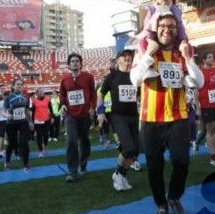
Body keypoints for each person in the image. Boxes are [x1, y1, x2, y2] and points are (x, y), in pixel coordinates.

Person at [130, 11, 204, 214]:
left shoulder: (183, 52)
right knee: (154, 167)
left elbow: (199, 82)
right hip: (150, 119)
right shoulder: (145, 48)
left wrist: (188, 57)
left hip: (177, 116)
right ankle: (161, 206)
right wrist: (148, 54)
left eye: (172, 26)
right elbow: (134, 80)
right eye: (162, 25)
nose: (167, 29)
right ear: (156, 28)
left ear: (176, 30)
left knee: (182, 161)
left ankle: (174, 198)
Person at [97, 49, 139, 191]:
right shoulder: (112, 76)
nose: (127, 58)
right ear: (118, 60)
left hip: (134, 116)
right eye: (124, 56)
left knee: (135, 151)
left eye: (129, 56)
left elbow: (140, 96)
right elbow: (101, 94)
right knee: (128, 148)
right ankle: (119, 176)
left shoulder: (135, 76)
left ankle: (120, 175)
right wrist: (101, 112)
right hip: (118, 116)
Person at [137, 0, 193, 78]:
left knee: (185, 48)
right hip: (153, 37)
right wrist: (150, 41)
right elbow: (147, 28)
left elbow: (180, 28)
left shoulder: (176, 11)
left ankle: (185, 71)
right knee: (142, 44)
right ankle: (148, 69)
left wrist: (183, 41)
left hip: (171, 39)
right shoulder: (151, 9)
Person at [60, 52, 96, 182]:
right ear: (69, 65)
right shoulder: (65, 79)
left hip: (85, 115)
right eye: (72, 61)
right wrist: (63, 104)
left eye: (77, 61)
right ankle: (72, 171)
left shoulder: (88, 77)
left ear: (81, 64)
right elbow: (62, 95)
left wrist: (93, 107)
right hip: (70, 115)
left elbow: (93, 93)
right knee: (71, 141)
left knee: (84, 141)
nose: (75, 63)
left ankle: (83, 163)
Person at [3, 79, 31, 172]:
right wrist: (7, 115)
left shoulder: (25, 97)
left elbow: (26, 110)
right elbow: (3, 111)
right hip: (11, 123)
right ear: (13, 86)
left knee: (24, 143)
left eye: (21, 85)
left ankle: (26, 164)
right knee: (11, 143)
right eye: (18, 84)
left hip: (23, 122)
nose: (20, 86)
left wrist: (30, 118)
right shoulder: (8, 97)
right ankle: (7, 162)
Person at [31, 88, 53, 158]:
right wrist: (32, 122)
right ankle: (40, 151)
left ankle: (45, 146)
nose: (42, 92)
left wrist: (52, 117)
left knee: (46, 134)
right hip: (38, 120)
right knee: (39, 136)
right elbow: (33, 112)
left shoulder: (47, 99)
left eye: (42, 91)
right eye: (40, 91)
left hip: (46, 119)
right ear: (36, 93)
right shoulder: (34, 101)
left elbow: (51, 108)